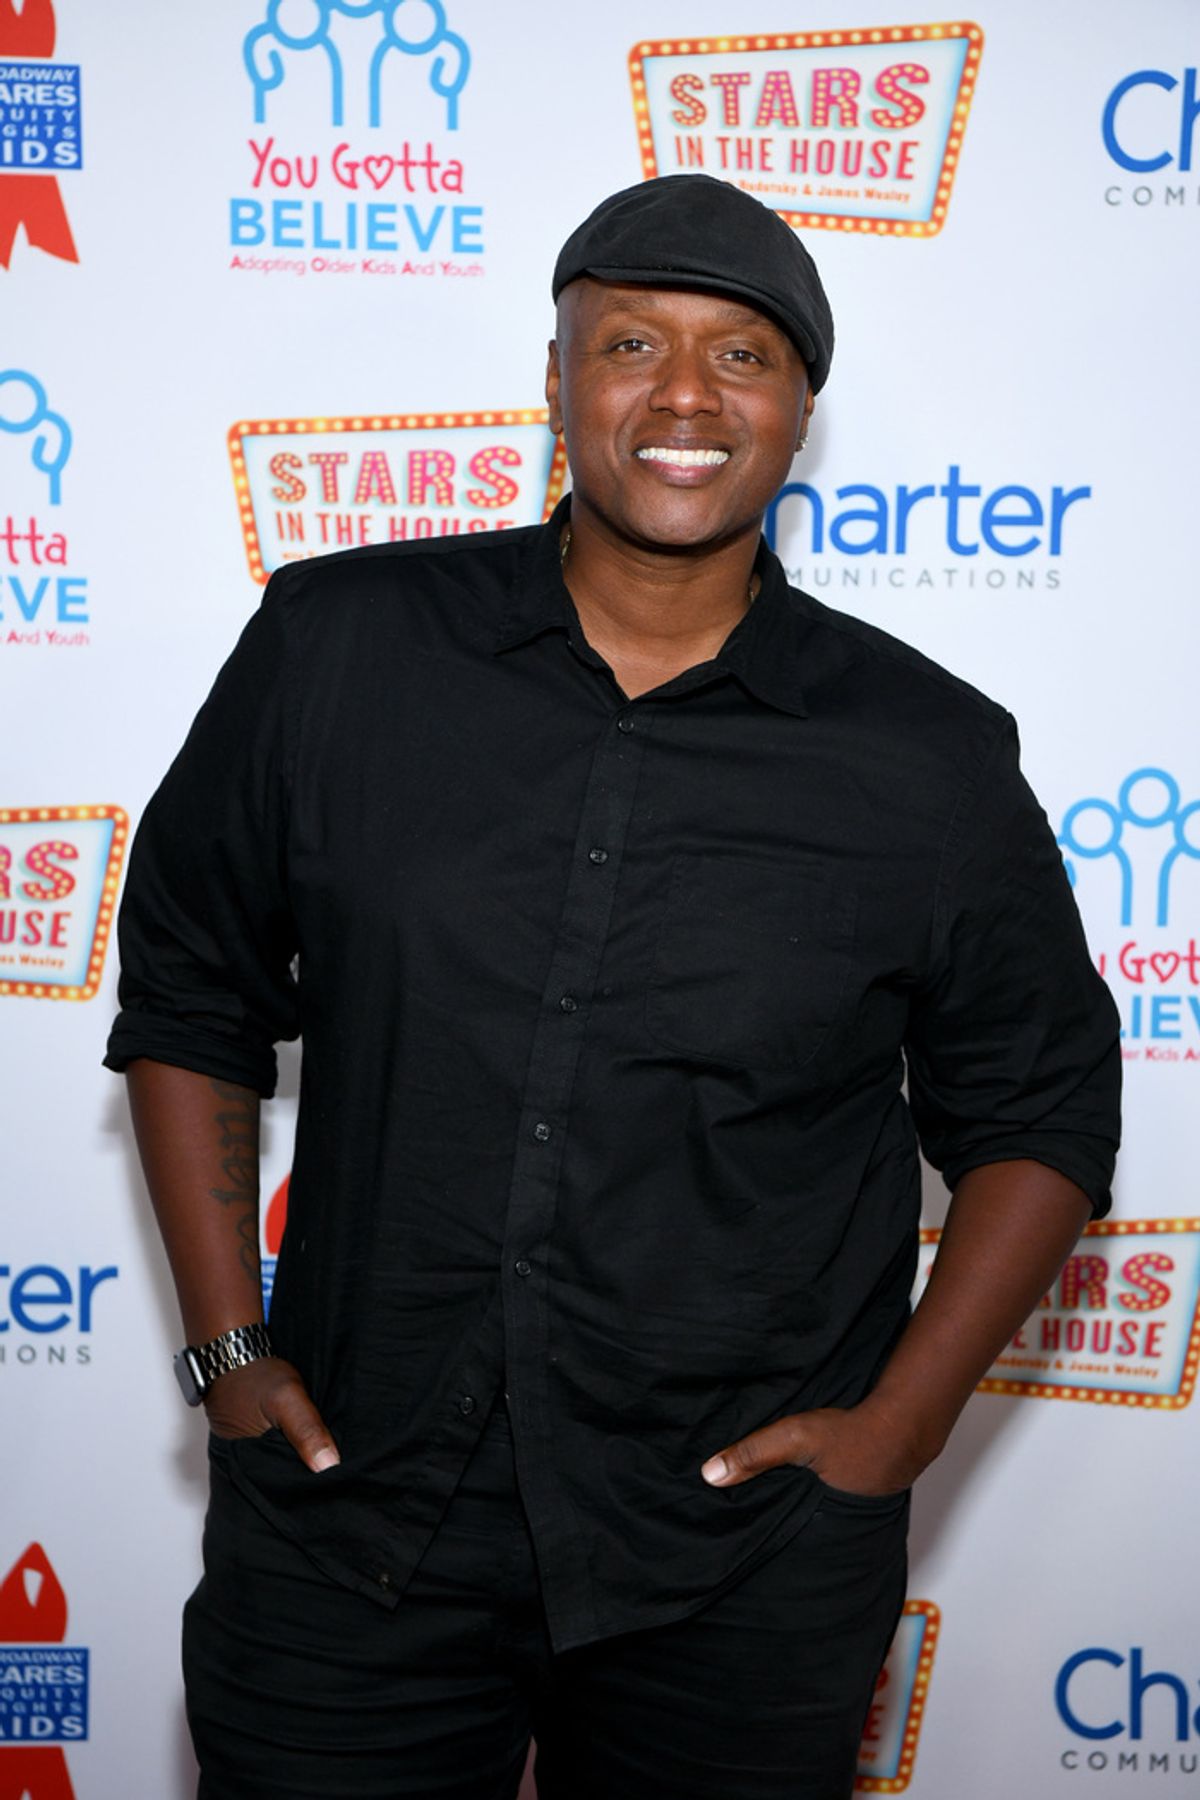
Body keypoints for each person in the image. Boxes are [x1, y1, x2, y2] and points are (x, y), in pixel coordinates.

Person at [106, 173, 1120, 1800]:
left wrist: (898, 1433)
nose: (684, 397)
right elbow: (186, 996)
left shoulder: (924, 754)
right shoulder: (342, 645)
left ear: (799, 411)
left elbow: (1048, 1109)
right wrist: (229, 1356)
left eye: (744, 357)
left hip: (739, 1564)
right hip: (351, 1514)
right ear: (561, 377)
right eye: (632, 343)